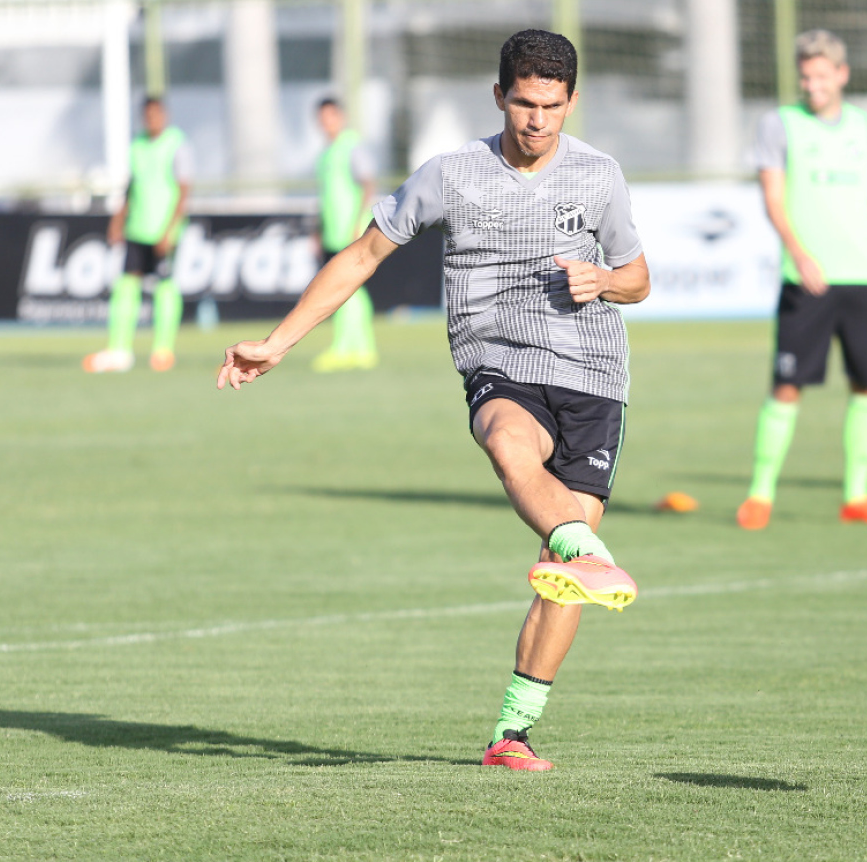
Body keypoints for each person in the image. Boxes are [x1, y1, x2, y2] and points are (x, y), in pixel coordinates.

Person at [217, 30, 649, 771]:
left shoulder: (600, 176)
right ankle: (589, 550)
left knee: (560, 571)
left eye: (551, 106)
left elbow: (638, 276)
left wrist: (603, 281)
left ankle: (512, 732)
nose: (536, 120)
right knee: (508, 444)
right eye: (523, 103)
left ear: (570, 101)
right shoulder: (450, 175)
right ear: (498, 96)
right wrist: (278, 342)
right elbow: (360, 256)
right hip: (498, 361)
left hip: (594, 376)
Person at [736, 29, 867, 531]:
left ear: (842, 75)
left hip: (862, 278)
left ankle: (858, 496)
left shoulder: (866, 128)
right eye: (805, 76)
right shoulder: (778, 124)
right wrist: (798, 253)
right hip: (805, 278)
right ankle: (759, 495)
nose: (812, 85)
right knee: (787, 386)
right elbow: (772, 197)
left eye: (821, 76)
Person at [84, 96, 193, 373]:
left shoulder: (176, 144)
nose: (152, 120)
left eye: (157, 114)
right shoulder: (137, 146)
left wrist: (170, 230)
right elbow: (132, 187)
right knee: (126, 286)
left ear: (165, 115)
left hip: (162, 230)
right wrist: (118, 221)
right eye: (148, 115)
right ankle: (120, 350)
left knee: (165, 287)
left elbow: (183, 190)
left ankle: (162, 350)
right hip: (138, 227)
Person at [311, 97, 379, 372]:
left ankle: (356, 347)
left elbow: (367, 184)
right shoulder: (327, 152)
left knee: (348, 288)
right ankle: (352, 346)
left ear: (340, 117)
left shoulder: (352, 146)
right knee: (342, 289)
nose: (325, 123)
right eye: (321, 118)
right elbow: (325, 196)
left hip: (350, 230)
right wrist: (317, 229)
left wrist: (357, 223)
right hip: (333, 230)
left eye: (329, 117)